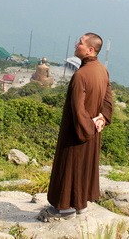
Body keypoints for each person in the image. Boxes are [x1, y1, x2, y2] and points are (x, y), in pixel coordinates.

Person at [37, 32, 113, 222]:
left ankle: (62, 209)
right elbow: (108, 99)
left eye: (80, 42)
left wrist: (85, 130)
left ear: (90, 49)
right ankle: (80, 205)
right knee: (84, 168)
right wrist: (101, 119)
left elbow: (78, 109)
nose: (76, 45)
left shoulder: (80, 75)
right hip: (92, 130)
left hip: (76, 133)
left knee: (68, 168)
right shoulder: (102, 70)